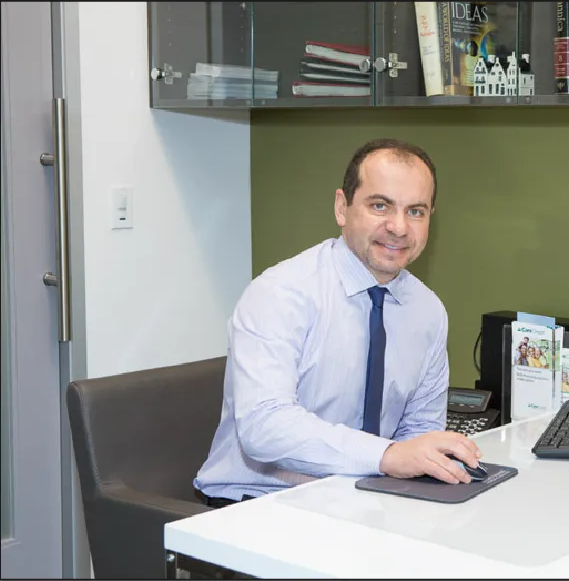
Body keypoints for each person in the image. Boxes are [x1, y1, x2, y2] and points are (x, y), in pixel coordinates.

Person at [193, 138, 482, 507]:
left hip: (365, 503)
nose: (398, 227)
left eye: (415, 211)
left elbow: (420, 433)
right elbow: (264, 427)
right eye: (380, 206)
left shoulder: (427, 311)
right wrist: (386, 456)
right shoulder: (281, 294)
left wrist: (433, 461)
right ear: (342, 208)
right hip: (257, 504)